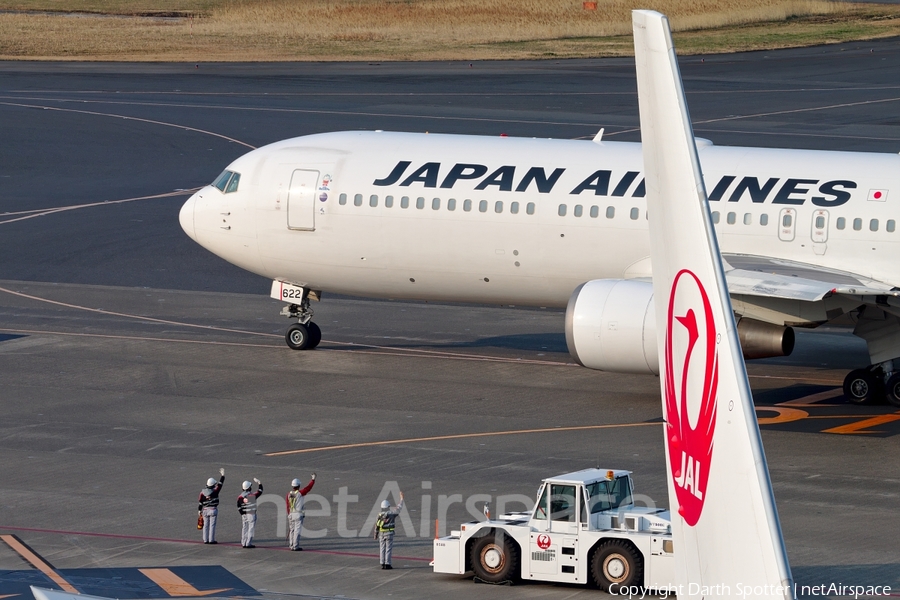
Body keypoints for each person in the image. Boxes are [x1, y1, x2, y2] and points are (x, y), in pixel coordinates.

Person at [285, 473, 317, 551]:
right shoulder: (300, 493)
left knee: (291, 530)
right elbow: (308, 488)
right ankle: (295, 546)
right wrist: (313, 480)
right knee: (297, 530)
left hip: (291, 514)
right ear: (299, 486)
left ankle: (291, 545)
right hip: (298, 514)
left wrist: (289, 514)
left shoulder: (289, 494)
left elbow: (287, 505)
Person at [374, 492, 404, 569]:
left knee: (382, 548)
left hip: (381, 534)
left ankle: (382, 563)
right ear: (388, 506)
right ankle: (387, 563)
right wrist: (401, 499)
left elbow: (376, 525)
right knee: (388, 549)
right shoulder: (392, 513)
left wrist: (375, 535)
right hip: (389, 534)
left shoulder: (379, 514)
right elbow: (399, 508)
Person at [198, 468, 225, 544]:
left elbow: (200, 502)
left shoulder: (202, 492)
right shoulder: (215, 491)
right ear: (213, 485)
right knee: (212, 525)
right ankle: (211, 540)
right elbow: (220, 484)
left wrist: (199, 510)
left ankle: (205, 540)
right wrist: (223, 475)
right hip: (213, 509)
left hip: (205, 510)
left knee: (205, 525)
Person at [237, 477, 263, 548]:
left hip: (244, 514)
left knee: (244, 528)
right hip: (251, 514)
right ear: (248, 488)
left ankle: (243, 542)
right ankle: (248, 543)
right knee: (251, 528)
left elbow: (238, 506)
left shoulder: (240, 496)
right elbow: (260, 491)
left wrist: (242, 513)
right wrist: (259, 483)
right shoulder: (252, 495)